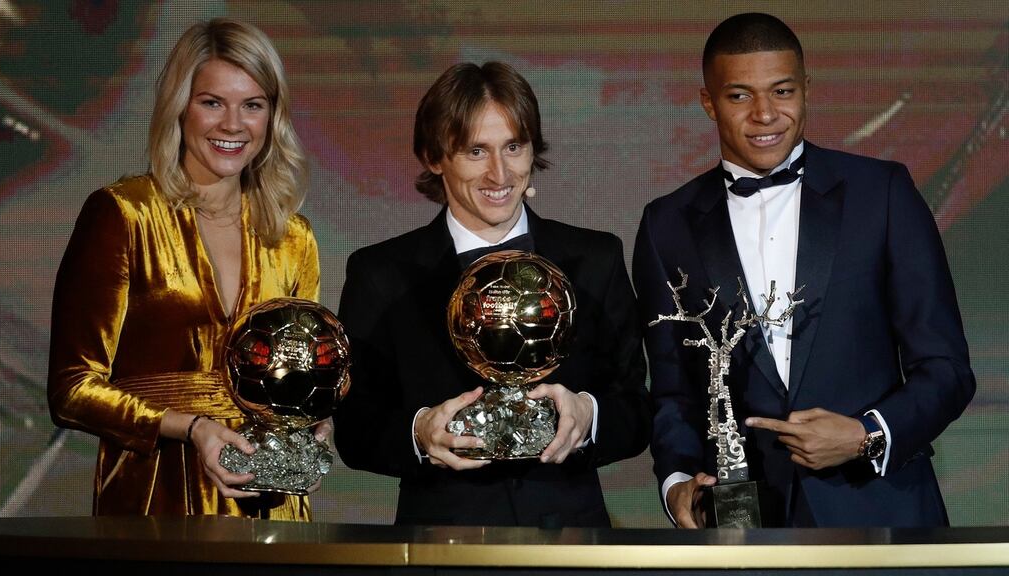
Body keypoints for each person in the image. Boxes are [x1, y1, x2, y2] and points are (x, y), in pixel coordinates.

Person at [633, 13, 976, 528]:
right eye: (740, 96)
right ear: (708, 102)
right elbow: (673, 391)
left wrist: (867, 434)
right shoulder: (667, 223)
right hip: (739, 522)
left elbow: (947, 369)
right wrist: (678, 483)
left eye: (782, 91)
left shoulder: (881, 193)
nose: (765, 114)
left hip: (881, 509)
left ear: (807, 90)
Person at [333, 61, 651, 527]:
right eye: (475, 151)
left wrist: (589, 417)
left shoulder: (594, 259)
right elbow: (356, 428)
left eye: (513, 147)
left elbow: (637, 410)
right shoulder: (381, 273)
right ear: (434, 157)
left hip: (572, 540)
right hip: (442, 540)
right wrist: (419, 434)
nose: (499, 174)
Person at [47, 18, 326, 519]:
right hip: (159, 496)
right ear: (180, 107)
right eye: (212, 102)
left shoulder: (293, 237)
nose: (233, 125)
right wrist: (192, 426)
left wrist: (315, 416)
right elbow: (72, 390)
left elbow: (302, 373)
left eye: (253, 105)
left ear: (272, 117)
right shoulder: (123, 214)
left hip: (271, 498)